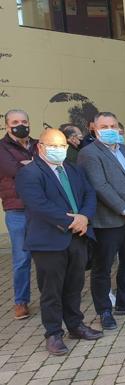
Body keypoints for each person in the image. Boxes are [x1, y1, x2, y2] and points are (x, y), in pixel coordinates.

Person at [16, 129, 103, 355]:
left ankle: (75, 325)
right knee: (51, 290)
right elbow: (38, 204)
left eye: (62, 145)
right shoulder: (30, 173)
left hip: (78, 237)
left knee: (74, 286)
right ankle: (53, 333)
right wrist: (71, 221)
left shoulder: (73, 169)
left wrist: (84, 217)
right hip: (49, 241)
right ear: (40, 147)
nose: (59, 150)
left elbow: (89, 194)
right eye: (53, 145)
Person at [77, 112, 125, 331]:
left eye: (113, 125)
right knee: (103, 268)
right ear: (94, 128)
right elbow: (100, 187)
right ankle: (104, 310)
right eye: (105, 126)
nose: (110, 129)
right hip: (108, 221)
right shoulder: (89, 154)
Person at [0, 109, 38, 320]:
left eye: (24, 121)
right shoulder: (2, 148)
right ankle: (21, 302)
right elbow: (13, 171)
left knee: (47, 255)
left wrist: (28, 165)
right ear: (7, 126)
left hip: (41, 208)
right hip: (17, 209)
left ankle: (52, 295)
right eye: (15, 122)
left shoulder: (38, 143)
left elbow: (47, 167)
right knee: (22, 258)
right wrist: (33, 166)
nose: (20, 125)